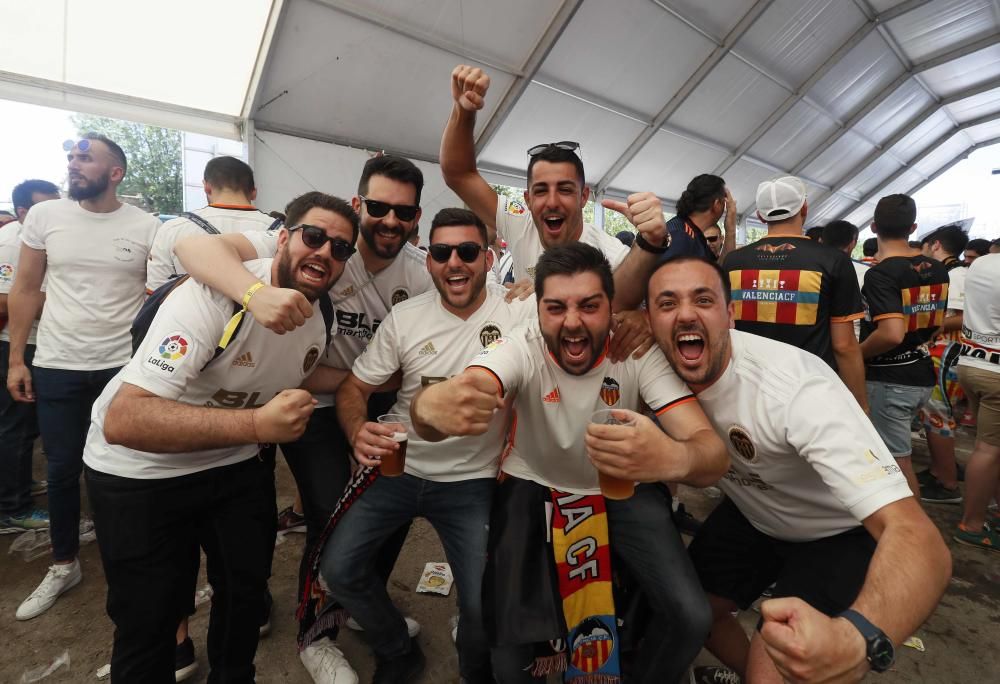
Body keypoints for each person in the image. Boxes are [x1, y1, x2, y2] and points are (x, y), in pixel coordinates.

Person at [411, 243, 729, 683]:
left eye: (590, 306)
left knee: (690, 617)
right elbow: (473, 383)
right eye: (556, 307)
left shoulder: (635, 352)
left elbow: (712, 454)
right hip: (533, 481)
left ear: (611, 308)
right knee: (508, 651)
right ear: (538, 311)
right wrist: (427, 408)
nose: (573, 322)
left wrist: (673, 456)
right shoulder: (521, 346)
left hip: (621, 489)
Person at [174, 156, 434, 682]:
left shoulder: (422, 273)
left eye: (403, 213)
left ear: (417, 218)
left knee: (392, 507)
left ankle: (361, 600)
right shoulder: (320, 247)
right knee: (331, 510)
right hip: (307, 403)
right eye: (379, 207)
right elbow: (190, 247)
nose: (390, 221)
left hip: (379, 402)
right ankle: (316, 635)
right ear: (359, 205)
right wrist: (256, 292)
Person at [82, 191, 355, 683]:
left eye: (340, 248)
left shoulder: (321, 316)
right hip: (138, 471)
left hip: (232, 466)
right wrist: (256, 426)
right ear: (285, 238)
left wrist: (373, 380)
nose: (325, 252)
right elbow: (125, 419)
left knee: (246, 593)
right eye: (314, 237)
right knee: (150, 620)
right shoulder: (214, 295)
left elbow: (298, 370)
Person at [642, 256, 950, 684]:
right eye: (667, 303)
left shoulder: (793, 387)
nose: (687, 314)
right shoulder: (652, 364)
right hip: (757, 512)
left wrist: (857, 639)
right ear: (648, 321)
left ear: (730, 314)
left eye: (704, 299)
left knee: (782, 656)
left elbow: (919, 539)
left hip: (837, 531)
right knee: (689, 612)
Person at [320, 208, 535, 683]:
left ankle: (474, 670)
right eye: (442, 252)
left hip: (472, 482)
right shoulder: (407, 316)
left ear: (489, 257)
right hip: (399, 468)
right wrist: (358, 430)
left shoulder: (520, 310)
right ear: (430, 261)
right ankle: (397, 648)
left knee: (482, 602)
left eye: (468, 251)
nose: (455, 262)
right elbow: (354, 388)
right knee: (340, 571)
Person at [8, 134, 161, 621]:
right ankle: (63, 562)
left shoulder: (147, 226)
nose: (73, 165)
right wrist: (17, 359)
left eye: (84, 158)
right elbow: (26, 289)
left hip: (122, 368)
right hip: (57, 363)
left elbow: (156, 297)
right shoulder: (46, 217)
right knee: (61, 470)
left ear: (114, 173)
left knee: (126, 467)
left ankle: (133, 561)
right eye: (70, 157)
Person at [440, 64, 669, 312]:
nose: (551, 202)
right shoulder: (521, 222)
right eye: (540, 191)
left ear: (583, 196)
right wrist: (463, 111)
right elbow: (458, 173)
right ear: (527, 199)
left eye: (565, 189)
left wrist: (652, 242)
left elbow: (626, 304)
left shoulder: (613, 255)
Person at [723, 177, 867, 409]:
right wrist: (861, 405)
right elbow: (844, 345)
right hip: (810, 393)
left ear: (760, 215)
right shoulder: (833, 261)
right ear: (804, 209)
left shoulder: (733, 262)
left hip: (749, 390)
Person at [860, 194, 950, 497]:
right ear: (913, 228)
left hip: (890, 378)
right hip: (923, 373)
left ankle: (910, 532)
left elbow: (891, 334)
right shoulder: (937, 269)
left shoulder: (881, 274)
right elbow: (937, 324)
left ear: (873, 226)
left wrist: (854, 355)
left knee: (894, 463)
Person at [0, 180, 59, 533]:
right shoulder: (11, 243)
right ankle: (12, 508)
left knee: (27, 426)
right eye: (45, 208)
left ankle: (19, 484)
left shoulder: (45, 238)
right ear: (23, 213)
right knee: (15, 428)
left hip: (42, 342)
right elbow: (4, 298)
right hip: (17, 345)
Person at [146, 156, 278, 292]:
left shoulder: (172, 229)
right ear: (254, 192)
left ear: (207, 188)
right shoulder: (281, 232)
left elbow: (156, 294)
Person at [916, 224, 970, 504]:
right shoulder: (948, 273)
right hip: (940, 349)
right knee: (932, 414)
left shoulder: (957, 275)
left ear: (936, 245)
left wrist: (929, 326)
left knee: (939, 415)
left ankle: (948, 484)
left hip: (948, 350)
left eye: (925, 246)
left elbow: (962, 316)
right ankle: (938, 470)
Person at [953, 253, 1000, 550]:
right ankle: (971, 525)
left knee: (988, 447)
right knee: (989, 450)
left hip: (971, 361)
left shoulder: (983, 263)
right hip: (996, 371)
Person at [661, 175, 736, 262]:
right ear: (716, 204)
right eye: (724, 202)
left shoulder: (695, 236)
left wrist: (730, 230)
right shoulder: (680, 235)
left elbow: (717, 270)